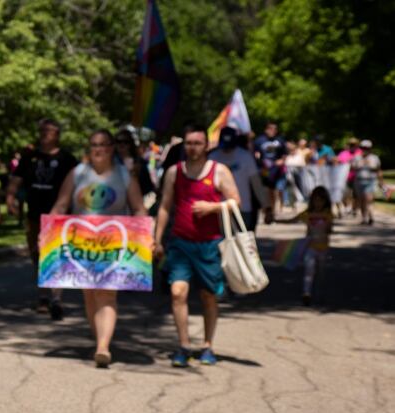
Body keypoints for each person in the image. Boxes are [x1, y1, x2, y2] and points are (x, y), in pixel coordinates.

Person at [50, 129, 146, 367]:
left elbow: (138, 207)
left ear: (112, 147)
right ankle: (99, 338)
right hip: (82, 244)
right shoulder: (78, 174)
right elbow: (61, 205)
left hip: (114, 244)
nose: (98, 149)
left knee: (107, 293)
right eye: (94, 144)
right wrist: (50, 229)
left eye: (103, 144)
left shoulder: (124, 175)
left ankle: (103, 346)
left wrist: (148, 235)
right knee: (89, 293)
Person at [153, 125, 241, 368]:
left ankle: (207, 345)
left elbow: (235, 201)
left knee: (208, 295)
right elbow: (164, 207)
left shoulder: (219, 171)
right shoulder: (174, 172)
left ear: (206, 146)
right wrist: (157, 238)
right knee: (177, 292)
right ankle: (183, 345)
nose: (193, 148)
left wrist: (211, 207)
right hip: (180, 243)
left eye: (197, 143)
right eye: (189, 143)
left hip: (210, 244)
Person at [6, 118, 78, 320]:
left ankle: (55, 298)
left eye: (50, 130)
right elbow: (15, 180)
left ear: (58, 134)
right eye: (42, 130)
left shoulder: (68, 159)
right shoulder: (30, 157)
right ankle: (44, 295)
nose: (45, 134)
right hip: (35, 216)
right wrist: (10, 197)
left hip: (60, 218)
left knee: (57, 257)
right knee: (38, 256)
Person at [209, 126, 272, 230]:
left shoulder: (245, 156)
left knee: (242, 242)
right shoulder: (212, 157)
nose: (227, 149)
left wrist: (266, 206)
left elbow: (256, 183)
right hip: (218, 209)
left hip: (243, 209)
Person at [279, 186, 333, 306]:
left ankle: (319, 293)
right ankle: (306, 293)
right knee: (309, 269)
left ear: (325, 201)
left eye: (321, 200)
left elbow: (330, 229)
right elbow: (293, 220)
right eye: (316, 200)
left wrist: (327, 227)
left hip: (323, 248)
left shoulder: (327, 214)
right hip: (311, 246)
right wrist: (276, 220)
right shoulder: (308, 214)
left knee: (321, 272)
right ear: (312, 200)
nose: (318, 203)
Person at [253, 121, 286, 212]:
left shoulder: (280, 140)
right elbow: (255, 153)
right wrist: (258, 159)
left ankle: (273, 211)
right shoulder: (259, 140)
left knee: (277, 190)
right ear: (266, 130)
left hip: (277, 171)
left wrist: (281, 161)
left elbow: (284, 154)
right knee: (266, 191)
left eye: (275, 129)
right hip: (264, 170)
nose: (273, 131)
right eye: (271, 128)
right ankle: (267, 211)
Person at [352, 139, 384, 225]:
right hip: (359, 181)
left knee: (368, 199)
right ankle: (364, 218)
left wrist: (381, 182)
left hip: (371, 181)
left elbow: (378, 170)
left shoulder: (375, 158)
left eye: (367, 148)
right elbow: (352, 168)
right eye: (363, 148)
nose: (365, 149)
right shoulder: (357, 157)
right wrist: (361, 164)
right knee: (362, 200)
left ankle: (371, 216)